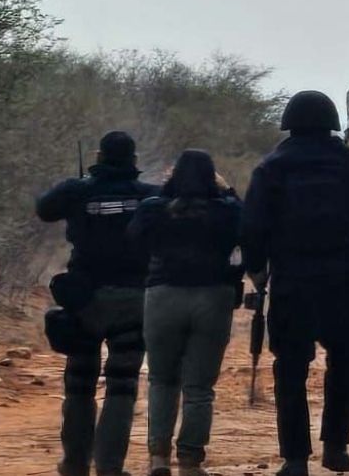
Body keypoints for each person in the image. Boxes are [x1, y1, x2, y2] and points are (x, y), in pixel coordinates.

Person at [240, 90, 349, 476]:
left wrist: (256, 269)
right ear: (333, 123)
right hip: (343, 278)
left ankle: (296, 458)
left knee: (290, 367)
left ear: (289, 123)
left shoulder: (272, 167)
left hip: (292, 279)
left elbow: (252, 225)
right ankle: (336, 447)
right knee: (344, 361)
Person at [36, 131, 160, 476]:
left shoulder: (79, 190)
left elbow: (44, 209)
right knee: (122, 386)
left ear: (100, 157)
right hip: (134, 300)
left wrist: (76, 186)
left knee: (79, 383)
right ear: (134, 161)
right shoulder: (150, 196)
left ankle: (75, 463)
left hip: (84, 300)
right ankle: (110, 467)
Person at [127, 150, 242, 476]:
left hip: (163, 296)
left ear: (173, 175)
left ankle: (158, 457)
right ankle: (190, 460)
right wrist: (228, 190)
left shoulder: (153, 208)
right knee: (200, 387)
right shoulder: (226, 210)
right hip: (213, 298)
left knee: (162, 379)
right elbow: (249, 228)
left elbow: (133, 243)